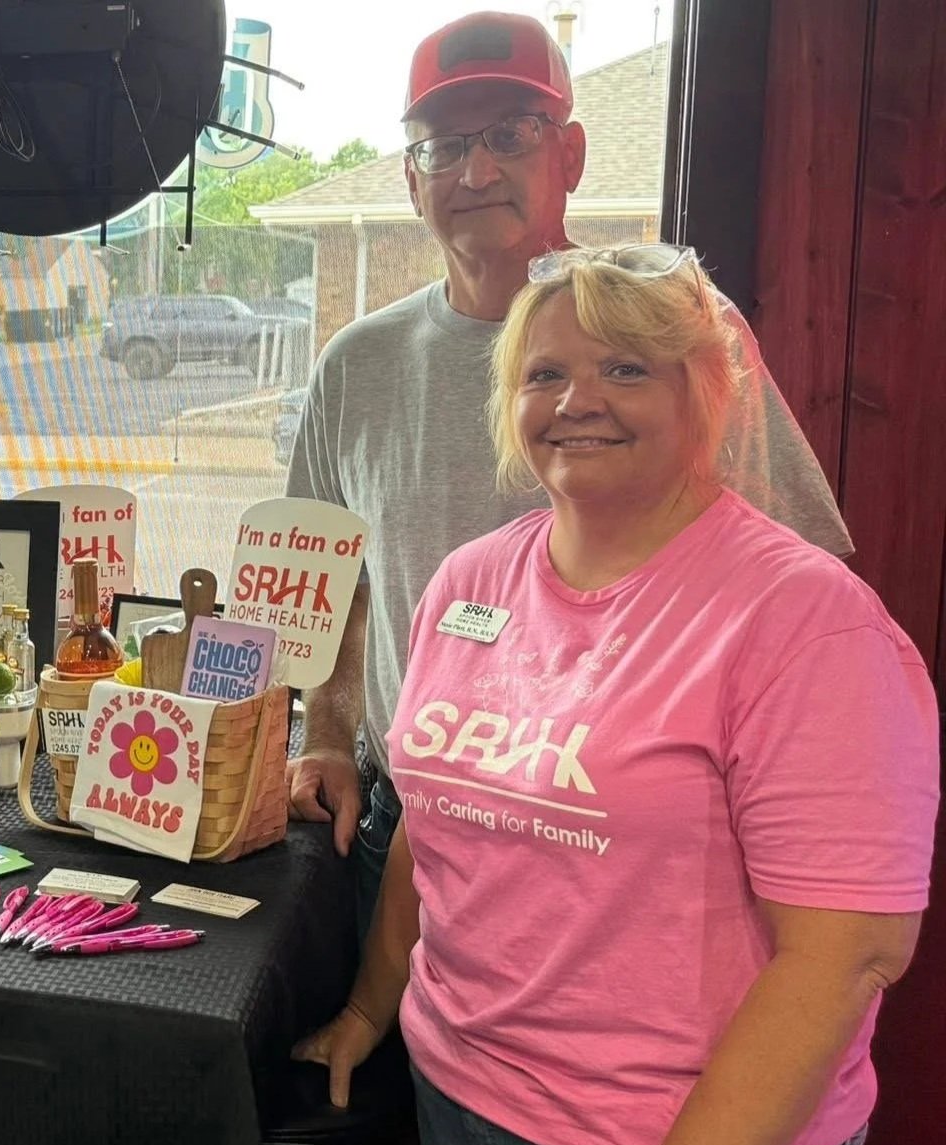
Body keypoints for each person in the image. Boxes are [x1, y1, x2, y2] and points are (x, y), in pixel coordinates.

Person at [291, 244, 936, 1145]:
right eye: (543, 373)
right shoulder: (467, 580)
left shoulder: (806, 620)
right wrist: (369, 1007)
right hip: (457, 1093)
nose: (575, 401)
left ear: (705, 391)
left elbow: (846, 955)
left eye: (624, 369)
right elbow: (433, 824)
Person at [281, 11, 852, 936]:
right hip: (405, 831)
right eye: (445, 146)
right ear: (410, 178)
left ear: (571, 154)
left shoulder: (681, 337)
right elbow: (333, 586)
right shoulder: (357, 364)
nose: (476, 172)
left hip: (618, 846)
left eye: (511, 135)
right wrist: (328, 738)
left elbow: (798, 585)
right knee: (388, 1064)